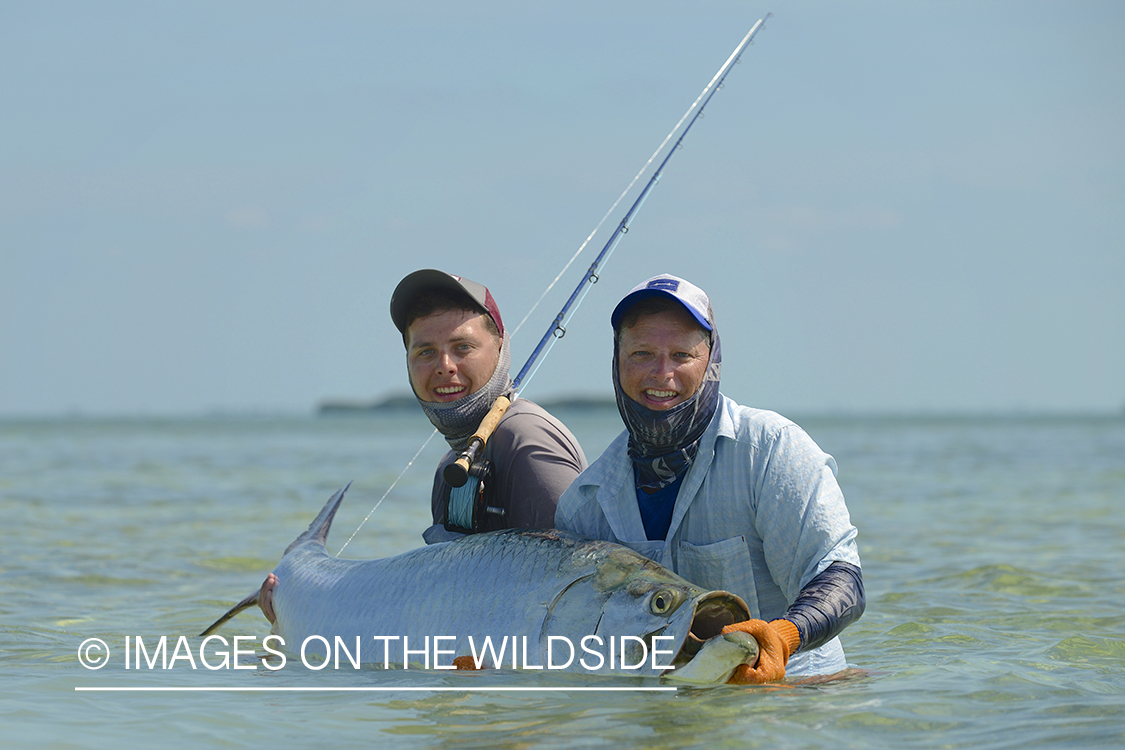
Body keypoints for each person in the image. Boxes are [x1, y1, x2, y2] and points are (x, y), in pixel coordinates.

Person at [553, 273, 864, 683]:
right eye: (642, 353)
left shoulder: (770, 449)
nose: (662, 373)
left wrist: (784, 637)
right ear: (617, 360)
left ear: (711, 360)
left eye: (682, 355)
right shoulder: (584, 505)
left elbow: (841, 578)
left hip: (795, 705)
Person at [257, 270, 586, 623]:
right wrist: (292, 610)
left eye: (463, 347)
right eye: (426, 351)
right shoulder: (451, 468)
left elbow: (578, 596)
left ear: (502, 348)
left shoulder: (528, 442)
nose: (444, 367)